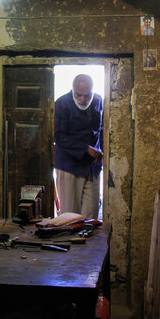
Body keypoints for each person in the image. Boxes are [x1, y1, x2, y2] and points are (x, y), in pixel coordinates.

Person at [54, 74, 103, 219]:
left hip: (91, 166)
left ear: (92, 91)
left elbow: (101, 130)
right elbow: (59, 137)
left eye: (87, 96)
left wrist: (100, 152)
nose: (82, 99)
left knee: (91, 215)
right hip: (69, 165)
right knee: (70, 216)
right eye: (78, 95)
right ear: (73, 90)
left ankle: (89, 241)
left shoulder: (99, 100)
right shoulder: (61, 103)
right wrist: (85, 148)